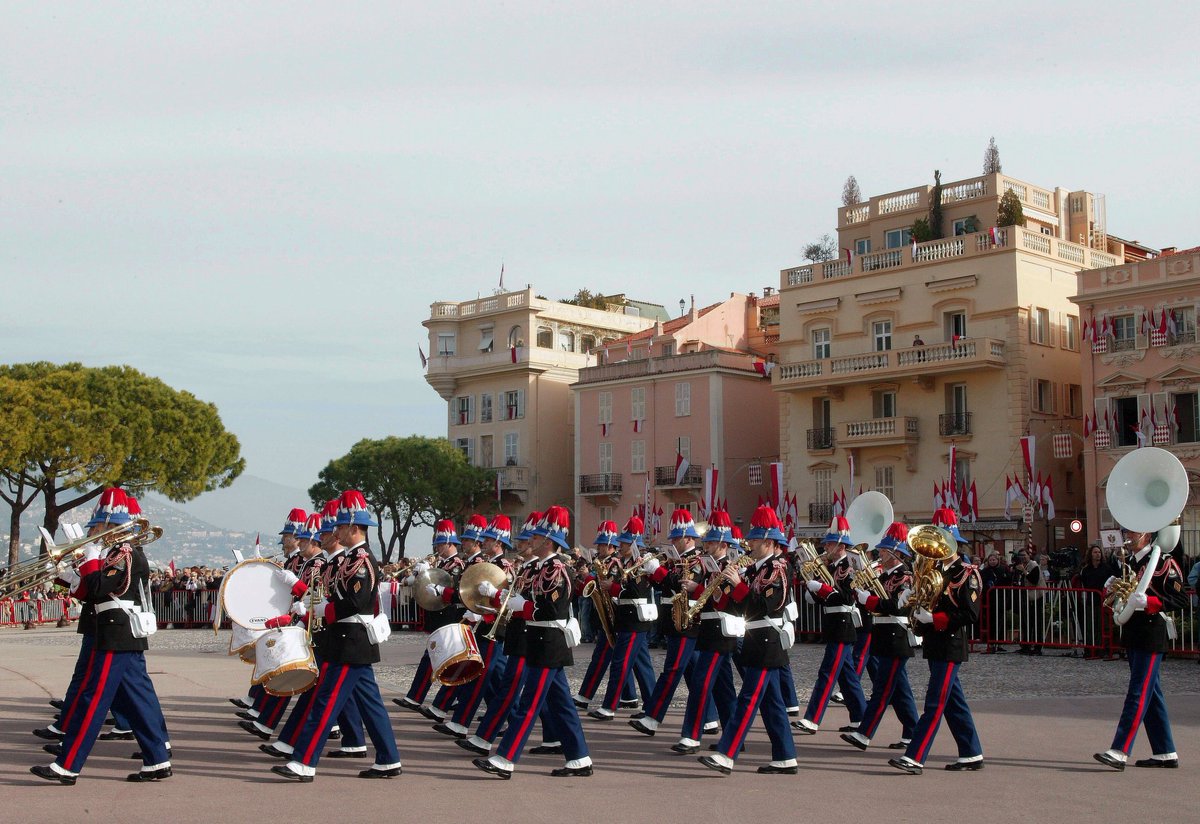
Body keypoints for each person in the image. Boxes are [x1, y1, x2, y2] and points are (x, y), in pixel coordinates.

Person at [31, 489, 173, 785]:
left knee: (92, 699)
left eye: (95, 527)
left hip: (116, 634)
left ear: (110, 527)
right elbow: (87, 592)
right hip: (114, 633)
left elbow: (99, 588)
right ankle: (158, 760)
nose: (92, 532)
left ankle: (67, 765)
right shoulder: (111, 554)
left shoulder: (124, 555)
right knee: (139, 698)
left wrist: (90, 559)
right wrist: (67, 575)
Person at [271, 489, 402, 781]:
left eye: (341, 526)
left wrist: (322, 610)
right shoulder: (350, 559)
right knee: (370, 704)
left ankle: (304, 761)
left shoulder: (362, 560)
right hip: (347, 639)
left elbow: (353, 603)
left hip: (350, 639)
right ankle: (389, 758)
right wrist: (314, 605)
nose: (337, 531)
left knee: (325, 702)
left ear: (354, 528)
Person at [473, 506, 593, 778]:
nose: (531, 541)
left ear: (548, 542)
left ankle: (505, 758)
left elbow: (549, 610)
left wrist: (522, 606)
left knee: (528, 704)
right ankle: (580, 757)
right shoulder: (539, 567)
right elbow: (522, 600)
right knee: (562, 704)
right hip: (538, 639)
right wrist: (503, 600)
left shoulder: (557, 569)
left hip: (548, 642)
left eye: (537, 538)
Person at [260, 504, 366, 760]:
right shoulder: (331, 561)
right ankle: (357, 743)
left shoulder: (346, 560)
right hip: (325, 629)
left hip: (340, 633)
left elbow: (344, 601)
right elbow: (319, 595)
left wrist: (307, 609)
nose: (316, 540)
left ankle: (298, 751)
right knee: (351, 694)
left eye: (325, 533)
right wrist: (304, 611)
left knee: (321, 694)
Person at [698, 506, 796, 775]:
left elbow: (764, 606)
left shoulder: (777, 569)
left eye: (754, 539)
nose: (748, 543)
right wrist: (722, 588)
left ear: (768, 541)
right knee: (772, 703)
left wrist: (737, 585)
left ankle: (727, 754)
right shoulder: (756, 569)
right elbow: (740, 608)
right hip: (755, 637)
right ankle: (785, 756)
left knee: (748, 699)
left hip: (768, 639)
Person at [889, 508, 984, 775]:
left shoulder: (966, 574)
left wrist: (935, 618)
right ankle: (971, 752)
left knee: (934, 703)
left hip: (951, 643)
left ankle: (915, 756)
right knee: (954, 702)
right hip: (935, 643)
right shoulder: (933, 570)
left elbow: (970, 614)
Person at [1093, 528, 1188, 771]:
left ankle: (1120, 749)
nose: (1128, 535)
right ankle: (1165, 751)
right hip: (1134, 634)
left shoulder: (1163, 561)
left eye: (1133, 531)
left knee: (1138, 692)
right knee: (1152, 693)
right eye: (1126, 530)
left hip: (1151, 633)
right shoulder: (1129, 563)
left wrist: (1151, 602)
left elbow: (1180, 600)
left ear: (1147, 534)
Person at [631, 508, 709, 737]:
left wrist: (660, 572)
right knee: (693, 674)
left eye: (676, 538)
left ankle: (653, 717)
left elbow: (681, 585)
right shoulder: (677, 560)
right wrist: (650, 572)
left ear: (689, 538)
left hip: (687, 622)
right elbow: (665, 587)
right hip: (674, 620)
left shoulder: (696, 561)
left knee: (672, 670)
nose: (673, 541)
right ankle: (711, 717)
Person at [841, 522, 919, 753]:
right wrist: (860, 592)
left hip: (896, 635)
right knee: (899, 690)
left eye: (884, 551)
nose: (880, 553)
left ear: (896, 554)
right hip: (883, 635)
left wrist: (869, 600)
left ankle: (864, 734)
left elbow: (897, 606)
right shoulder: (881, 575)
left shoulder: (906, 577)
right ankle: (912, 732)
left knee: (882, 689)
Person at [671, 511, 741, 754]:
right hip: (708, 629)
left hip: (720, 631)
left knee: (701, 683)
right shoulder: (709, 565)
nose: (706, 545)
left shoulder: (730, 567)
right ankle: (735, 737)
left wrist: (696, 588)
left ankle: (691, 736)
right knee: (723, 688)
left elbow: (724, 600)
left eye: (710, 542)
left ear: (723, 544)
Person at [792, 515, 866, 736]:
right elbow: (826, 597)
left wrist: (821, 588)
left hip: (843, 623)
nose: (826, 547)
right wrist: (813, 592)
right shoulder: (830, 566)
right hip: (832, 622)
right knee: (848, 678)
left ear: (841, 546)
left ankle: (812, 719)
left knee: (827, 673)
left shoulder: (850, 566)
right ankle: (860, 718)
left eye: (830, 544)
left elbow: (845, 596)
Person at [394, 519, 466, 719]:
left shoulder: (457, 564)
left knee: (438, 658)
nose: (438, 548)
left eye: (441, 544)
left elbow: (455, 591)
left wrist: (429, 575)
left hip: (449, 615)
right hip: (438, 615)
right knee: (437, 658)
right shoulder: (442, 563)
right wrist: (419, 575)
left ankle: (419, 698)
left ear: (450, 543)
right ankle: (422, 698)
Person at [589, 516, 656, 721]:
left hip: (635, 618)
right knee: (641, 664)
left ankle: (609, 706)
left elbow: (638, 590)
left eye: (625, 542)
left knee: (621, 662)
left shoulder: (642, 562)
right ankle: (653, 705)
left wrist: (614, 587)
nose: (621, 545)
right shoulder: (623, 561)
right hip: (624, 616)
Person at [572, 522, 638, 711]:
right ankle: (630, 696)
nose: (599, 548)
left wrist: (589, 577)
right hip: (604, 612)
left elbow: (608, 585)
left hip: (614, 613)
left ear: (611, 546)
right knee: (632, 661)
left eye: (602, 545)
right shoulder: (600, 561)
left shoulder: (616, 563)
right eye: (599, 545)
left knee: (602, 656)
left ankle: (585, 696)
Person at [1078, 545, 1118, 658]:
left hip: (1103, 600)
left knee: (1102, 625)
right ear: (1091, 554)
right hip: (1091, 600)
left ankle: (1102, 649)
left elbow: (1112, 580)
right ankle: (1091, 648)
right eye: (1095, 552)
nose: (1097, 554)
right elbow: (1084, 582)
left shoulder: (1106, 568)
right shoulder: (1086, 570)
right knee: (1091, 625)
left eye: (1099, 552)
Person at [1011, 550, 1045, 655]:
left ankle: (1037, 647)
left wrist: (1024, 572)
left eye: (1024, 555)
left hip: (1036, 597)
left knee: (1036, 622)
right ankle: (1025, 645)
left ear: (1028, 556)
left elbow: (1034, 580)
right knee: (1026, 622)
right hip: (1025, 598)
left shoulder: (1033, 565)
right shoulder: (1020, 566)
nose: (1023, 558)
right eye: (1020, 556)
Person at [980, 552, 1009, 653]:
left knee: (1001, 620)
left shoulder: (1003, 569)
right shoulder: (985, 571)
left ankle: (1000, 642)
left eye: (994, 560)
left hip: (1000, 597)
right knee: (991, 620)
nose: (992, 562)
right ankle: (991, 642)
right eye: (991, 560)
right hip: (990, 598)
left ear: (998, 560)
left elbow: (1007, 580)